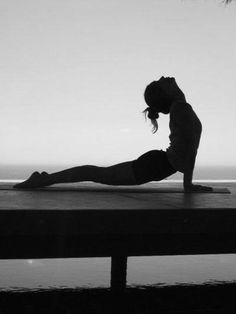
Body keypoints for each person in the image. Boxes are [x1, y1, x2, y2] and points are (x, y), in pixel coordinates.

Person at [14, 76, 212, 193]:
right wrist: (188, 185)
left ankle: (45, 179)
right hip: (155, 165)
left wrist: (189, 184)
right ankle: (43, 180)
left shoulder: (181, 107)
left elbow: (190, 148)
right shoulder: (180, 108)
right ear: (166, 94)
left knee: (97, 173)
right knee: (97, 174)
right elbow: (191, 149)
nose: (164, 77)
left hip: (157, 164)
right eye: (161, 81)